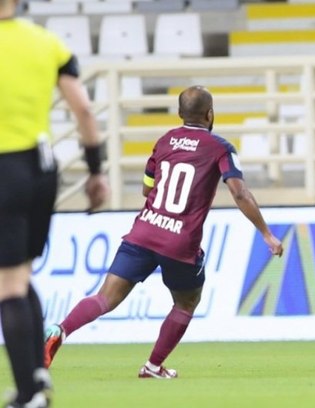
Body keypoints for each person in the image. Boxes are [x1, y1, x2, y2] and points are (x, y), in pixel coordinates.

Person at [43, 86, 284, 379]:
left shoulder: (165, 140)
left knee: (105, 298)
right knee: (186, 302)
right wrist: (266, 233)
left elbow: (147, 188)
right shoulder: (220, 148)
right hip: (180, 242)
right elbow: (239, 192)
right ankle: (153, 366)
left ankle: (60, 329)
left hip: (144, 231)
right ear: (210, 114)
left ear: (181, 113)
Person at [0, 0, 111, 406]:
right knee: (21, 276)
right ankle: (37, 378)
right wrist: (97, 171)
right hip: (42, 167)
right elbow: (83, 109)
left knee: (8, 285)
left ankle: (30, 394)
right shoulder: (48, 43)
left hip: (3, 168)